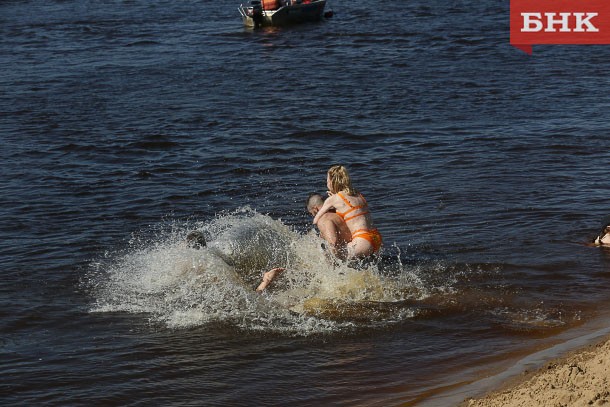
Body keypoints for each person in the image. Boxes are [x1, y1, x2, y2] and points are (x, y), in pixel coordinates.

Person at [313, 165, 382, 259]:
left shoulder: (333, 199)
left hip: (361, 240)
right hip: (376, 237)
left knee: (332, 255)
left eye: (327, 181)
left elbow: (316, 220)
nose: (327, 183)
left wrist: (330, 199)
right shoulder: (358, 194)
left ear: (332, 182)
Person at [306, 192, 352, 259]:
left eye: (311, 213)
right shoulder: (339, 212)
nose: (313, 216)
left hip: (350, 255)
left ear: (315, 209)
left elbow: (333, 243)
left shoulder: (324, 219)